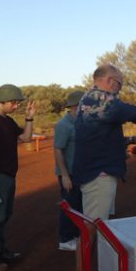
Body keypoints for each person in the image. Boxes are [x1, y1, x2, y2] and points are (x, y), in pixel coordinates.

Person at [69, 64, 136, 271]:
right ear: (109, 81)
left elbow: (102, 135)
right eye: (120, 84)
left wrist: (133, 138)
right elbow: (128, 111)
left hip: (96, 173)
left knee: (96, 229)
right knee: (91, 230)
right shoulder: (100, 99)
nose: (120, 89)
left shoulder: (91, 102)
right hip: (98, 176)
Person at [0, 84, 37, 271]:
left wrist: (29, 117)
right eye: (14, 102)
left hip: (8, 173)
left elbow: (26, 138)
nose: (16, 106)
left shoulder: (8, 121)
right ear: (2, 101)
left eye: (17, 103)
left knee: (4, 214)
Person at [54, 90, 85, 251]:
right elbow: (58, 150)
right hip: (69, 174)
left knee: (79, 205)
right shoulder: (63, 125)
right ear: (75, 106)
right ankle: (65, 239)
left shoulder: (80, 123)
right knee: (69, 206)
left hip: (80, 172)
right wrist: (65, 175)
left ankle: (75, 234)